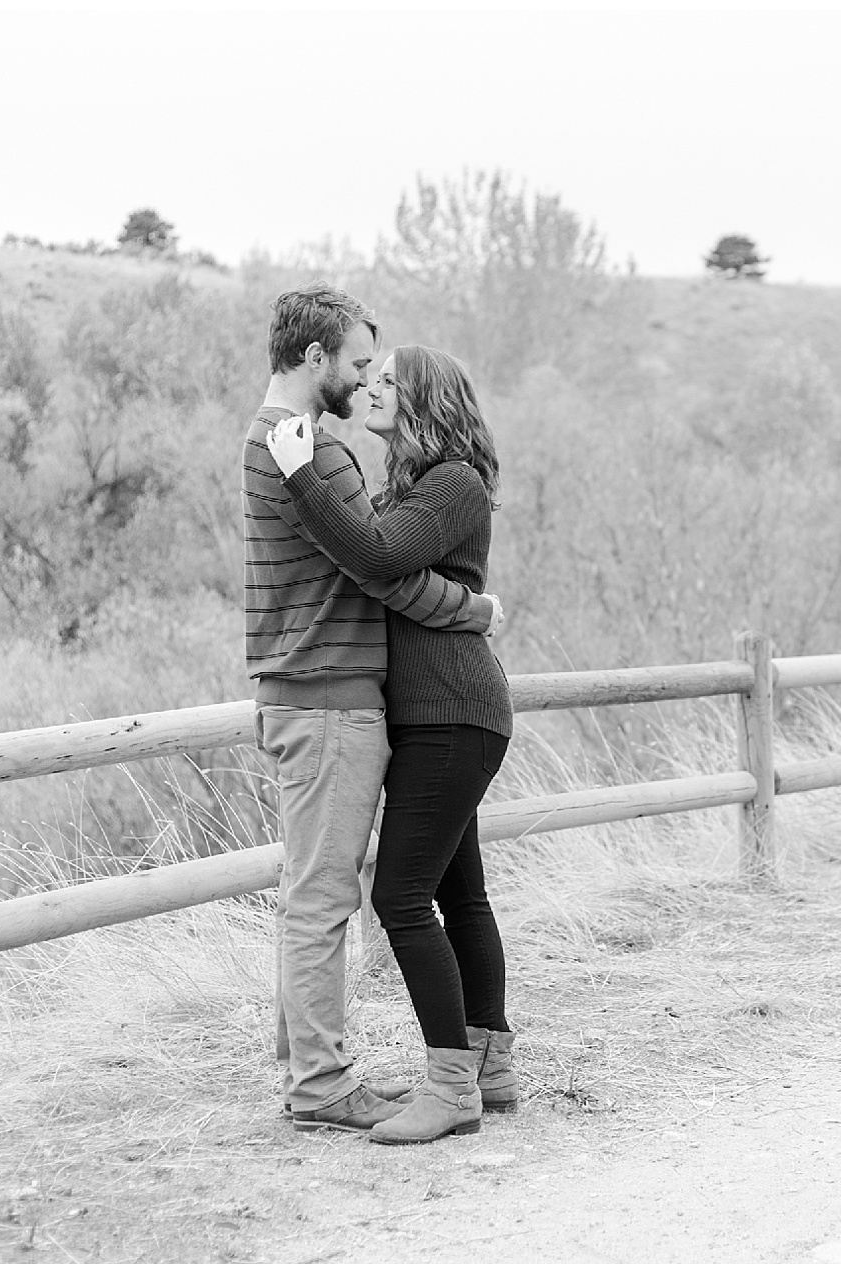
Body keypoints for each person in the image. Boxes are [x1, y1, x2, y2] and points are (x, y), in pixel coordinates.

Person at [243, 288, 503, 1134]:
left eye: (384, 376)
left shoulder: (349, 461)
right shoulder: (299, 450)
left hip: (416, 705)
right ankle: (327, 1085)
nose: (366, 384)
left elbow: (382, 565)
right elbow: (380, 564)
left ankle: (453, 1079)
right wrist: (475, 610)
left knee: (402, 894)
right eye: (361, 364)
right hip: (335, 699)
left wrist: (470, 611)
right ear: (316, 359)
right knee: (344, 897)